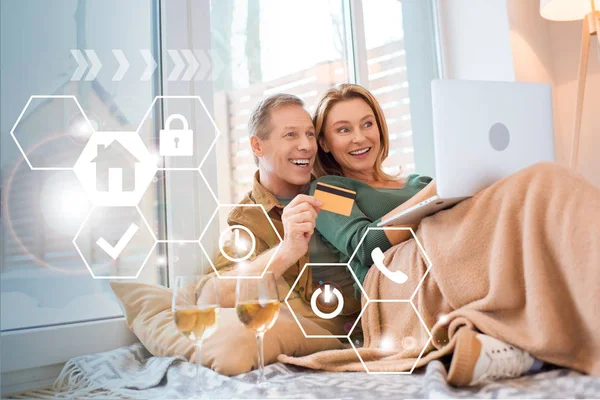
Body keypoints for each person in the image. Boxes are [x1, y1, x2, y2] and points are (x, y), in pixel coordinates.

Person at [309, 84, 555, 386]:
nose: (360, 137)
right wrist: (435, 192)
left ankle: (518, 335)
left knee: (539, 185)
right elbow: (365, 244)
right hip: (392, 280)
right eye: (343, 130)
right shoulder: (329, 188)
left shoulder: (417, 181)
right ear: (324, 142)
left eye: (367, 124)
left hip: (452, 258)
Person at [196, 93, 362, 369]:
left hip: (374, 331)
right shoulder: (248, 219)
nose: (306, 146)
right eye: (290, 135)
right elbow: (210, 296)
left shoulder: (332, 190)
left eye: (310, 134)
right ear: (257, 145)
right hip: (325, 346)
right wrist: (287, 251)